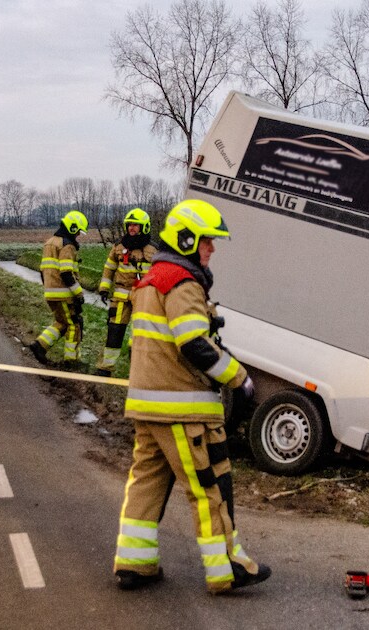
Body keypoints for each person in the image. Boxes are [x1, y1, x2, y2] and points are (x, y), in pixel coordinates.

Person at [112, 199, 271, 593]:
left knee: (146, 482)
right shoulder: (182, 282)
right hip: (183, 408)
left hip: (148, 406)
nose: (212, 249)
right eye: (207, 241)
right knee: (209, 487)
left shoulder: (151, 278)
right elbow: (193, 345)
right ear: (186, 240)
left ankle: (134, 563)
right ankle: (227, 569)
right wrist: (239, 379)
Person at [94, 208, 157, 377]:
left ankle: (137, 372)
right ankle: (104, 368)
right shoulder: (118, 247)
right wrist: (104, 289)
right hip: (121, 299)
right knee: (114, 332)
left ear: (144, 227)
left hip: (143, 299)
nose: (131, 228)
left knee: (139, 334)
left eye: (135, 225)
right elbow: (109, 269)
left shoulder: (154, 250)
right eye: (129, 225)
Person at [28, 210, 87, 366]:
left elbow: (43, 270)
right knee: (74, 324)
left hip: (51, 293)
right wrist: (79, 293)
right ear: (73, 228)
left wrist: (48, 288)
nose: (78, 236)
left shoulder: (49, 243)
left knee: (61, 322)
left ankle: (39, 345)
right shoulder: (67, 246)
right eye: (78, 232)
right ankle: (71, 360)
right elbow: (67, 273)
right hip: (64, 294)